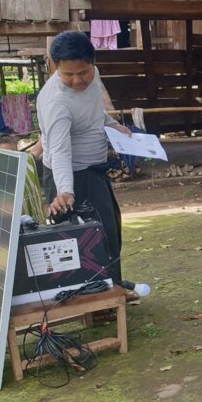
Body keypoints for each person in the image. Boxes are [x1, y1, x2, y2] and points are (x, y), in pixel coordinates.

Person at [37, 31, 132, 282]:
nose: (78, 80)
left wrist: (111, 124)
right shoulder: (57, 103)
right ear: (55, 67)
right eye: (68, 74)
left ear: (93, 63)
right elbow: (58, 152)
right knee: (84, 243)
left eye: (83, 72)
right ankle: (94, 298)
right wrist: (66, 191)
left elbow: (92, 111)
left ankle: (113, 289)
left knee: (109, 232)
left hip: (94, 171)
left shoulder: (94, 76)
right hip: (69, 178)